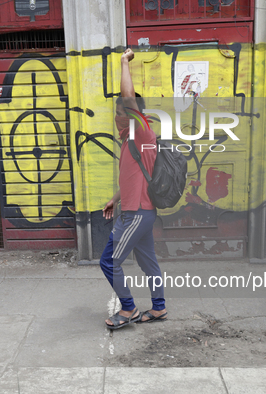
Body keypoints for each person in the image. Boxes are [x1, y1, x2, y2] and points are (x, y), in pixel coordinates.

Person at [99, 48, 167, 330]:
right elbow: (132, 176)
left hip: (137, 214)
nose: (117, 115)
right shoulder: (131, 138)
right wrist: (114, 199)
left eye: (121, 111)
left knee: (107, 261)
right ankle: (159, 308)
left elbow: (128, 98)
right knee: (148, 261)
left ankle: (128, 309)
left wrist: (123, 63)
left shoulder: (142, 131)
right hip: (136, 210)